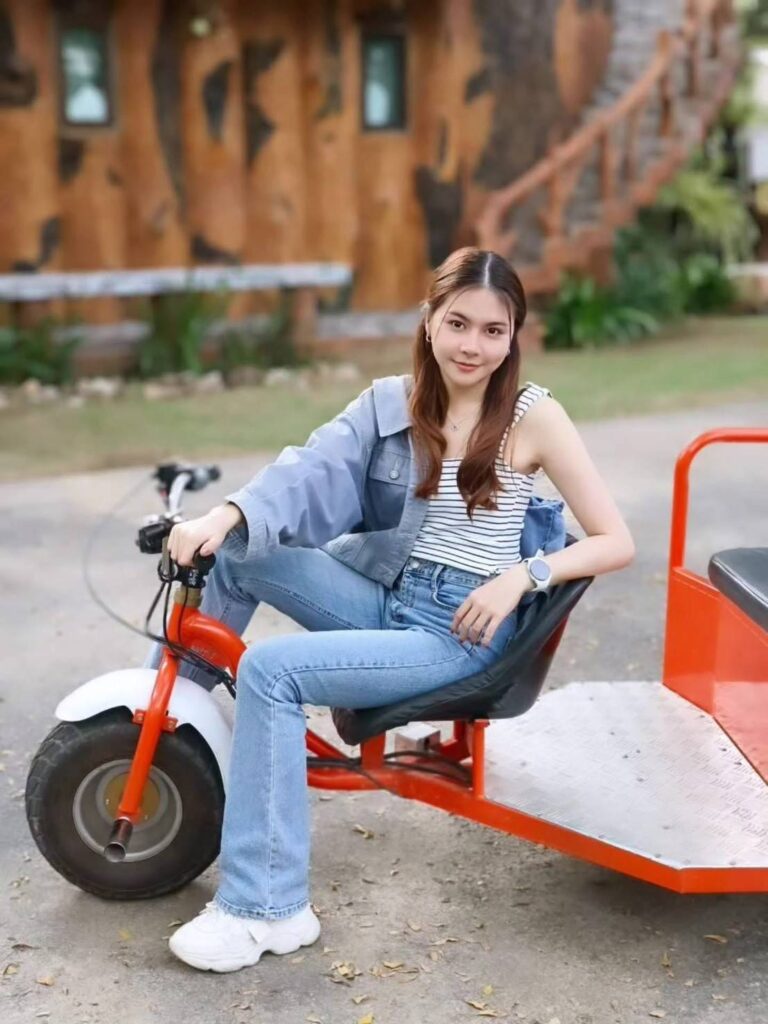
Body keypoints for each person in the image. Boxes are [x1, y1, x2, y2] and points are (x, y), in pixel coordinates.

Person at [164, 247, 635, 972]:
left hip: (456, 631)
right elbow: (310, 465)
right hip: (391, 597)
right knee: (238, 549)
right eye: (458, 324)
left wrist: (521, 576)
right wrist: (224, 514)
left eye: (493, 330)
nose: (472, 346)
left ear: (514, 336)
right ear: (429, 321)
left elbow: (615, 541)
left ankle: (267, 909)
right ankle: (170, 728)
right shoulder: (397, 402)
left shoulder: (534, 416)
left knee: (271, 673)